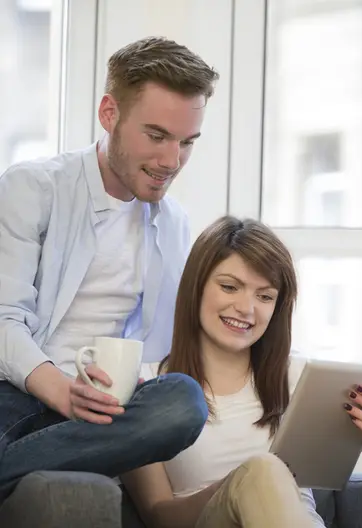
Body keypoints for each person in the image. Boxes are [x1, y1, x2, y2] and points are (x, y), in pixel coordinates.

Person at [0, 36, 219, 502]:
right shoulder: (32, 189)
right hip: (15, 395)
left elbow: (194, 331)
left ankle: (18, 465)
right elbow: (2, 318)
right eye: (157, 136)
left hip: (103, 413)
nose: (171, 161)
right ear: (109, 114)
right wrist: (60, 391)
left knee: (182, 402)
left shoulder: (173, 223)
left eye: (187, 142)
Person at [122, 216, 362, 528]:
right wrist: (237, 487)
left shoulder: (297, 377)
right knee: (262, 470)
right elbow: (158, 515)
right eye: (230, 287)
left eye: (265, 296)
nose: (247, 308)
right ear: (196, 287)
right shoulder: (146, 386)